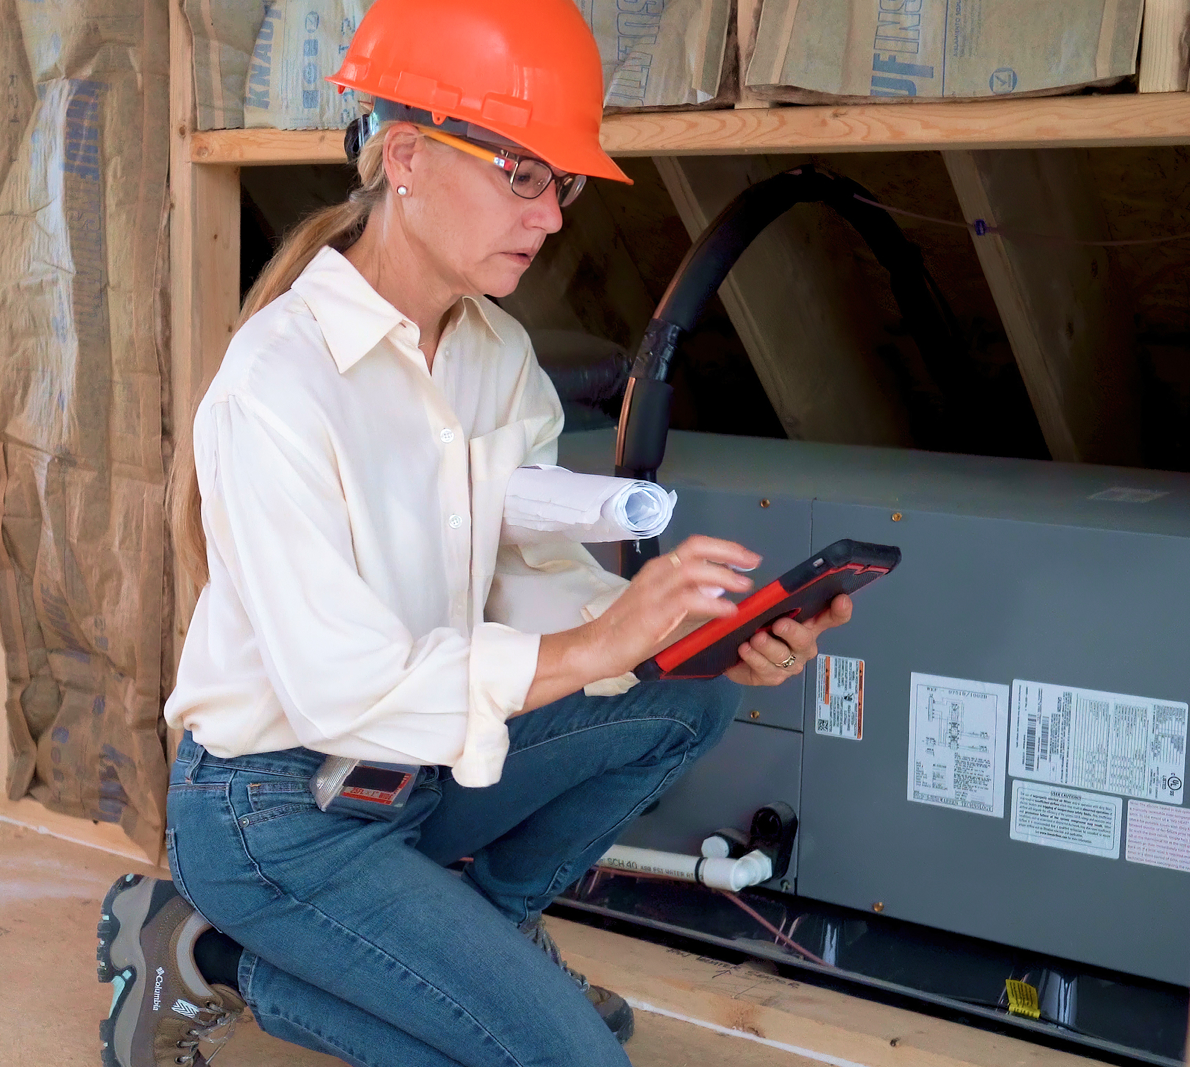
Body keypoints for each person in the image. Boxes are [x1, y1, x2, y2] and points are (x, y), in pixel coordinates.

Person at [97, 0, 852, 1064]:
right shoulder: (278, 382)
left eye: (563, 183)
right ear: (405, 154)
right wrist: (596, 646)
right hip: (277, 815)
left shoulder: (493, 353)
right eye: (522, 174)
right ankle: (200, 947)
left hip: (417, 776)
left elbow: (538, 575)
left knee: (692, 692)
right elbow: (337, 688)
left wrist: (681, 635)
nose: (549, 218)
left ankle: (474, 943)